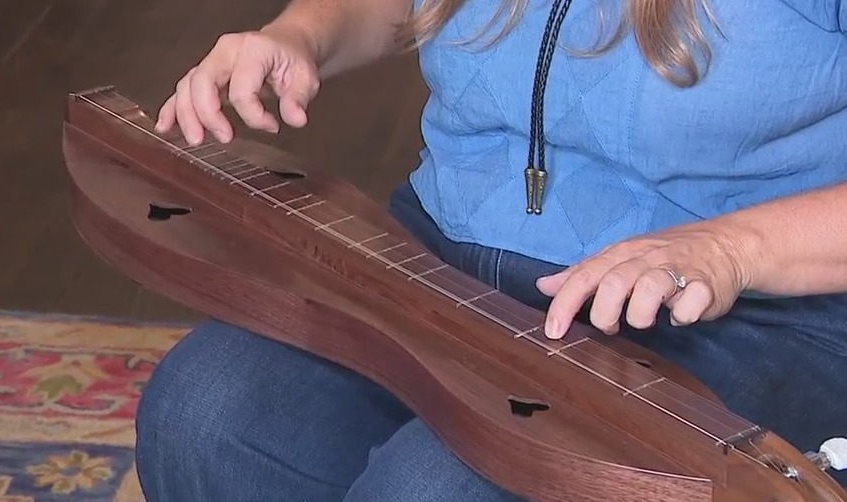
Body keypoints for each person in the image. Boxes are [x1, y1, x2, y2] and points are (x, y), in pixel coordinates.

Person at [134, 0, 847, 500]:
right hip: (448, 250)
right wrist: (298, 34)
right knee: (206, 409)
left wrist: (725, 248)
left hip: (734, 312)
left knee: (434, 488)